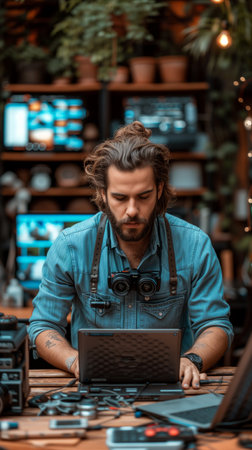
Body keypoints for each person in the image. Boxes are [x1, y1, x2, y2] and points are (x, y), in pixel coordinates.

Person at [28, 121, 233, 390]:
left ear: (159, 190)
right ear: (103, 194)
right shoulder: (70, 247)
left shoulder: (194, 245)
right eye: (120, 197)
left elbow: (215, 324)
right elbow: (43, 326)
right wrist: (75, 361)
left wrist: (192, 360)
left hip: (173, 387)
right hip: (92, 389)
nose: (132, 210)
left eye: (144, 196)